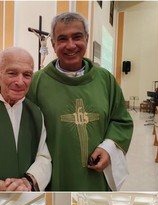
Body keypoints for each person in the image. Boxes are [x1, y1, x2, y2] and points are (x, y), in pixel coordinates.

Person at [27, 12, 133, 191]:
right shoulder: (36, 83)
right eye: (62, 39)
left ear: (87, 38)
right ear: (53, 44)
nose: (70, 45)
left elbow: (121, 120)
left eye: (77, 37)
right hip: (55, 176)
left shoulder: (105, 80)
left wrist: (109, 148)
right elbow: (26, 131)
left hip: (97, 177)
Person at [0, 47, 51, 191]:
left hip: (23, 199)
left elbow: (44, 157)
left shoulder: (35, 113)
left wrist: (27, 181)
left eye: (27, 75)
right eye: (12, 73)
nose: (20, 81)